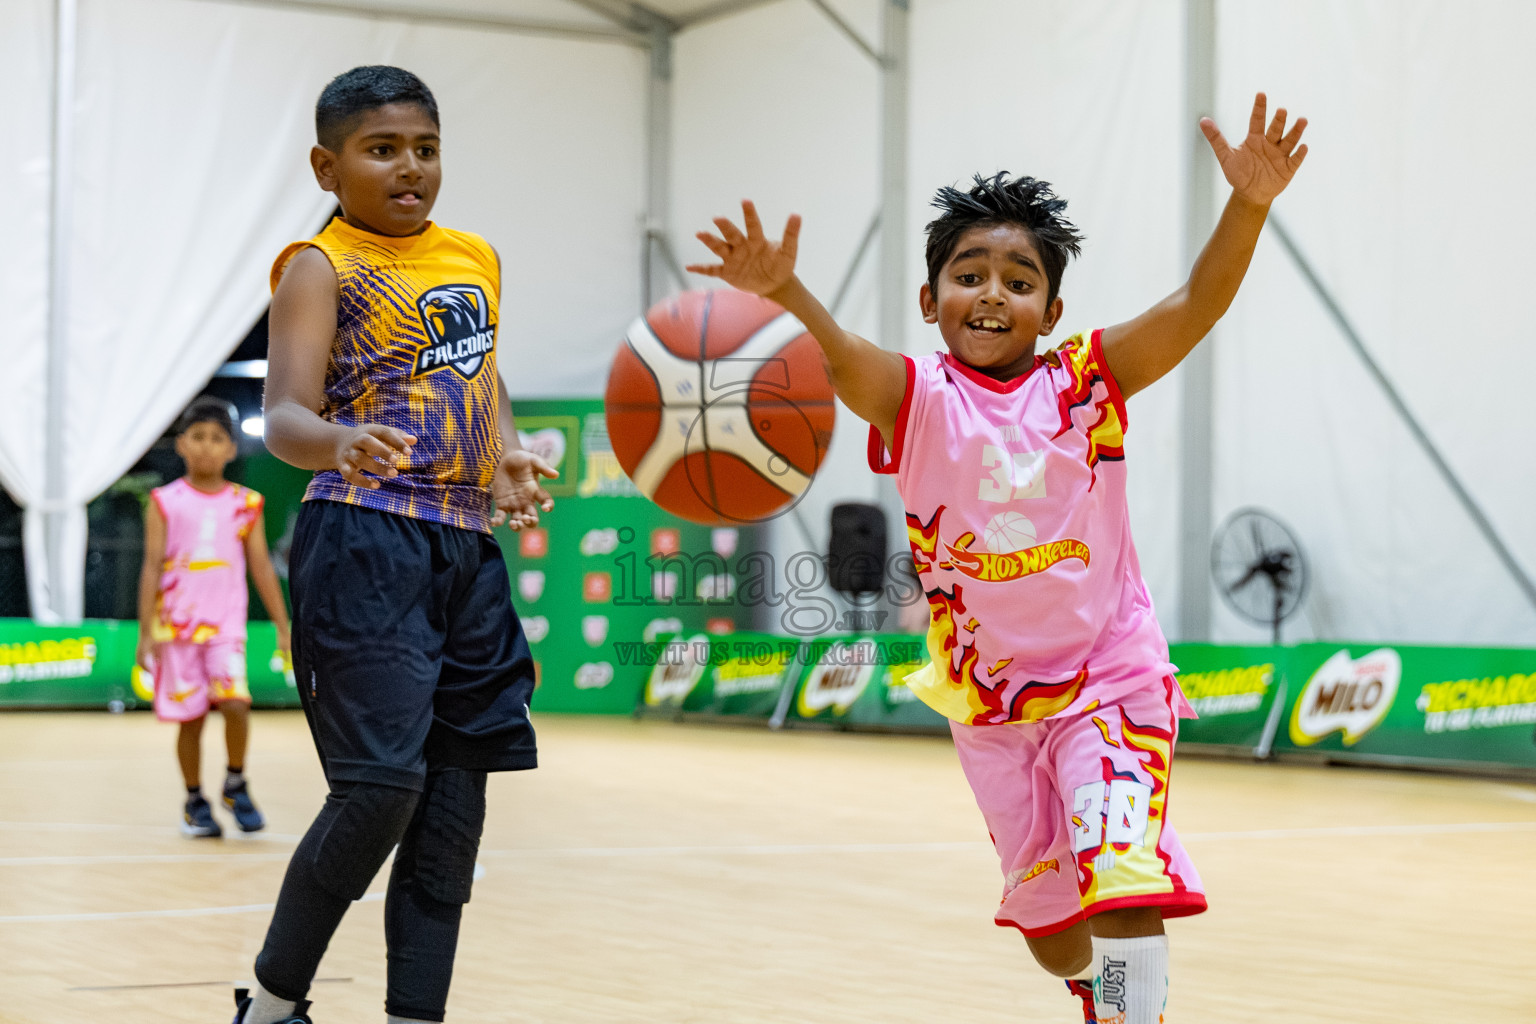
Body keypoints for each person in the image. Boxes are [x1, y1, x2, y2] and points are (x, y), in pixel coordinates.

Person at [689, 94, 1307, 1023]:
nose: (992, 294)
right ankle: (1095, 992)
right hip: (990, 697)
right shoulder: (917, 396)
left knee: (1125, 881)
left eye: (1019, 281)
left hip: (1109, 675)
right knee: (1053, 928)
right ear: (931, 301)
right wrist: (789, 295)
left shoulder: (1086, 383)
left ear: (1051, 310)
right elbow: (847, 360)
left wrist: (1249, 205)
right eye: (969, 275)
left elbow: (1194, 305)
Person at [236, 66, 557, 1024]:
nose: (410, 167)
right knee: (379, 791)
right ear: (328, 168)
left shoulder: (476, 257)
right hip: (365, 540)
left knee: (453, 813)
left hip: (465, 550)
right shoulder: (319, 264)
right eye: (383, 150)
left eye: (426, 147)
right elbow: (284, 415)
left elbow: (484, 373)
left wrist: (503, 456)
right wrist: (337, 439)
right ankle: (271, 1000)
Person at [137, 396, 291, 838]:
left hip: (226, 626)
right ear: (181, 444)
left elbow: (261, 566)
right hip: (178, 627)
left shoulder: (246, 503)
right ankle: (193, 799)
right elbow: (151, 565)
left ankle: (235, 781)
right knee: (192, 718)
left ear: (231, 449)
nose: (206, 446)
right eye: (197, 437)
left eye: (217, 438)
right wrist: (146, 631)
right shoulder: (164, 501)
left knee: (237, 703)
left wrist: (282, 624)